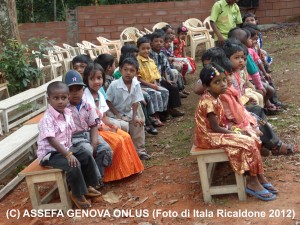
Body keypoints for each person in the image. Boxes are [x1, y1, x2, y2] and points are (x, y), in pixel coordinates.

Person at [194, 63, 278, 201]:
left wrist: (239, 131)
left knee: (253, 136)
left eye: (223, 80)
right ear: (207, 87)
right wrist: (236, 133)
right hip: (208, 137)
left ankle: (259, 176)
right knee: (247, 142)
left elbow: (222, 125)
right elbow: (215, 128)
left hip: (218, 132)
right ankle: (252, 181)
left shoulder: (216, 97)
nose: (222, 84)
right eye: (217, 82)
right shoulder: (208, 101)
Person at [37, 81, 100, 209]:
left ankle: (87, 186)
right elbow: (51, 140)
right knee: (73, 163)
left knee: (86, 154)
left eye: (64, 98)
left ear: (68, 98)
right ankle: (77, 194)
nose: (60, 101)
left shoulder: (67, 113)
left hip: (64, 149)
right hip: (50, 154)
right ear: (48, 99)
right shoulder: (47, 118)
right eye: (56, 98)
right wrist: (68, 154)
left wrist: (70, 151)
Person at [81, 63, 146, 180]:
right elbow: (88, 121)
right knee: (118, 140)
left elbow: (104, 117)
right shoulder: (84, 96)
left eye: (99, 78)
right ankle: (113, 175)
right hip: (92, 130)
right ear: (86, 80)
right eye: (92, 79)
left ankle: (130, 169)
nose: (96, 82)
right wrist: (104, 127)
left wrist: (111, 124)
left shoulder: (100, 94)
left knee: (126, 136)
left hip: (102, 126)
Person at [64, 70, 113, 185]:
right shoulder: (64, 109)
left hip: (88, 134)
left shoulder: (88, 106)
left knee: (105, 149)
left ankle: (97, 180)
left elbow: (94, 125)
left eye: (78, 89)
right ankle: (88, 183)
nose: (75, 93)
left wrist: (94, 141)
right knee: (86, 150)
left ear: (83, 90)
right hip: (73, 139)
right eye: (71, 90)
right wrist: (91, 146)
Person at [105, 57, 152, 160]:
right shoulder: (114, 84)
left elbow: (136, 102)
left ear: (136, 73)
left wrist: (135, 116)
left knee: (139, 124)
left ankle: (140, 151)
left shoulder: (136, 84)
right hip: (113, 113)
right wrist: (117, 114)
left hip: (128, 112)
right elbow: (108, 101)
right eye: (125, 69)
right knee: (123, 126)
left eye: (132, 70)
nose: (128, 73)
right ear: (120, 70)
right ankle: (125, 153)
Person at [150, 31, 185, 117]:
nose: (159, 43)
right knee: (164, 89)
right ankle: (164, 112)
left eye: (161, 41)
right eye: (156, 41)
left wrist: (167, 79)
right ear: (151, 43)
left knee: (173, 87)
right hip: (152, 80)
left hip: (161, 78)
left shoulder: (162, 54)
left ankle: (172, 108)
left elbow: (164, 68)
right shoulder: (149, 55)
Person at [136, 36, 169, 123]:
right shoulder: (137, 61)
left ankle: (162, 112)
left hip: (152, 84)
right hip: (143, 85)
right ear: (138, 49)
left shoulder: (151, 60)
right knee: (155, 93)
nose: (146, 51)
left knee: (165, 91)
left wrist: (155, 84)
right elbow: (138, 78)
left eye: (148, 48)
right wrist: (151, 85)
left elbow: (155, 74)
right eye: (143, 49)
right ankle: (154, 116)